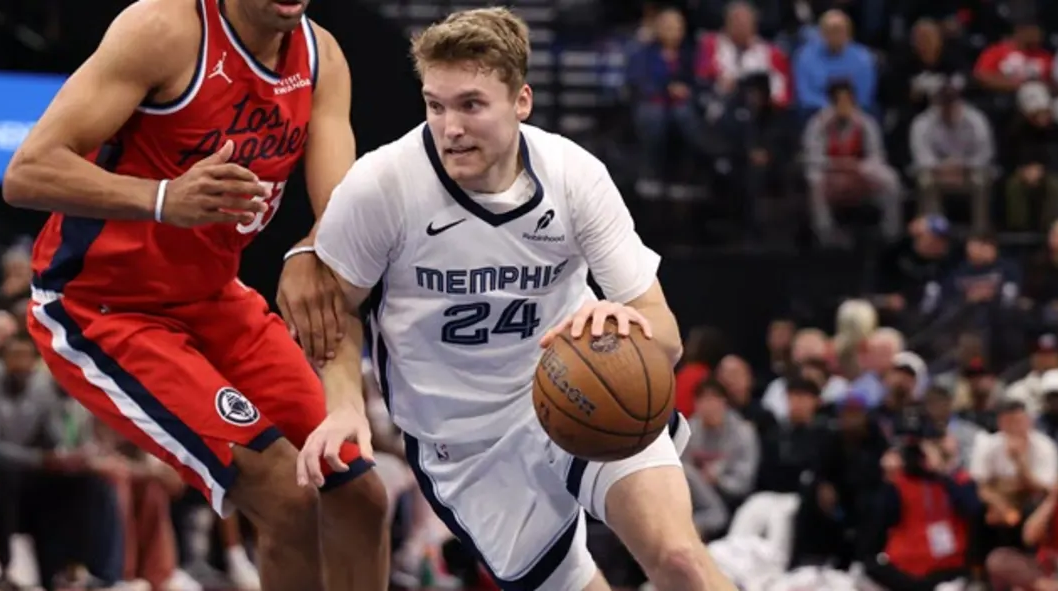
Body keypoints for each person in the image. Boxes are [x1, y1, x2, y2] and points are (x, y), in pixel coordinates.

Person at [302, 8, 735, 591]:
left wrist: (627, 326)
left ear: (521, 101)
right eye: (436, 105)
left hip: (582, 387)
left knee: (681, 559)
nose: (450, 126)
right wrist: (346, 405)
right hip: (466, 442)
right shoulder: (383, 185)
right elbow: (332, 308)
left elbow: (666, 334)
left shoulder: (573, 175)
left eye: (471, 105)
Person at [0, 0, 389, 589]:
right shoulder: (164, 29)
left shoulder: (322, 58)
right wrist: (161, 198)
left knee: (360, 491)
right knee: (288, 492)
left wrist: (309, 249)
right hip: (102, 308)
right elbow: (27, 172)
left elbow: (339, 218)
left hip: (214, 298)